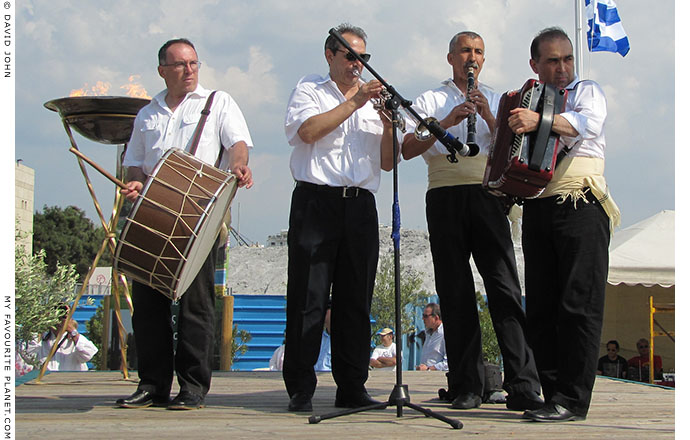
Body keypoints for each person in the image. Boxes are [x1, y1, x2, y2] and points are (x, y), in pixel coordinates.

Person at [401, 31, 542, 412]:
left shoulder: (497, 97)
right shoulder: (431, 98)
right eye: (465, 51)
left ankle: (524, 384)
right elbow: (407, 149)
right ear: (451, 58)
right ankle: (466, 384)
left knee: (504, 286)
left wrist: (486, 116)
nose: (472, 58)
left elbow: (514, 147)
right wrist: (447, 119)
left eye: (478, 51)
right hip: (445, 194)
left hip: (488, 193)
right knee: (454, 290)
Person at [117, 38, 254, 410]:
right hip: (153, 215)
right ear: (162, 70)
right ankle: (153, 384)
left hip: (197, 216)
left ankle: (193, 386)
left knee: (196, 304)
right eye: (180, 65)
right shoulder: (148, 114)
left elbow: (238, 145)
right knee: (148, 305)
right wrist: (134, 183)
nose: (189, 70)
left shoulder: (219, 102)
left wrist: (238, 166)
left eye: (193, 63)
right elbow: (135, 165)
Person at [508, 27, 621, 422]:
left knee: (579, 305)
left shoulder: (587, 91)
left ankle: (573, 399)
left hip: (581, 203)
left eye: (567, 59)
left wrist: (537, 119)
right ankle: (552, 391)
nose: (562, 68)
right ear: (534, 65)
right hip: (539, 205)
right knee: (540, 304)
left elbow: (585, 125)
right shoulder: (528, 99)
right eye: (552, 61)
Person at [282, 23, 395, 412]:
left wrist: (388, 126)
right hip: (317, 202)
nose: (358, 64)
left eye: (364, 58)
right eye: (350, 56)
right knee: (308, 298)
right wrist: (354, 102)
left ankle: (352, 386)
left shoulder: (375, 101)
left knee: (355, 299)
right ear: (330, 55)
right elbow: (307, 131)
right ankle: (301, 387)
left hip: (360, 205)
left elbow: (387, 162)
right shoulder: (310, 89)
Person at [26, 306, 98, 371]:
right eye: (55, 317)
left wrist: (72, 331)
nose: (59, 321)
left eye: (62, 317)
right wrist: (35, 327)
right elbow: (28, 357)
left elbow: (88, 354)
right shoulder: (41, 339)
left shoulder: (75, 340)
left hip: (71, 383)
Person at [415, 303, 447, 372]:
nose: (423, 319)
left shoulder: (444, 334)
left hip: (437, 378)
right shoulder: (428, 333)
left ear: (436, 318)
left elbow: (448, 363)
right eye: (423, 316)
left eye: (426, 316)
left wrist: (428, 369)